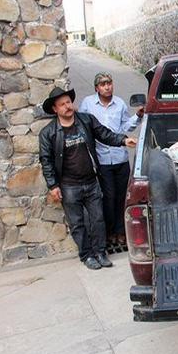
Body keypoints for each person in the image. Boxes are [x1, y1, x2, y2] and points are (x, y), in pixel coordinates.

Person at [39, 87, 137, 270]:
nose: (67, 106)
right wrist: (53, 185)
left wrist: (123, 140)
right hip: (69, 186)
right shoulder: (48, 133)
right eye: (62, 104)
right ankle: (86, 255)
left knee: (98, 219)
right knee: (77, 223)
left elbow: (104, 134)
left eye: (68, 102)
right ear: (55, 109)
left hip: (91, 182)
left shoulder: (85, 120)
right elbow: (46, 161)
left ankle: (100, 252)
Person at [79, 72, 143, 246]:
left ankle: (121, 232)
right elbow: (84, 127)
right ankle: (108, 233)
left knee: (122, 197)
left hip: (120, 157)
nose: (107, 86)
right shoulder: (88, 104)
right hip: (102, 159)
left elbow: (124, 127)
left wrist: (137, 116)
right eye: (103, 84)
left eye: (109, 83)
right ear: (96, 88)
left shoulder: (120, 103)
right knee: (108, 197)